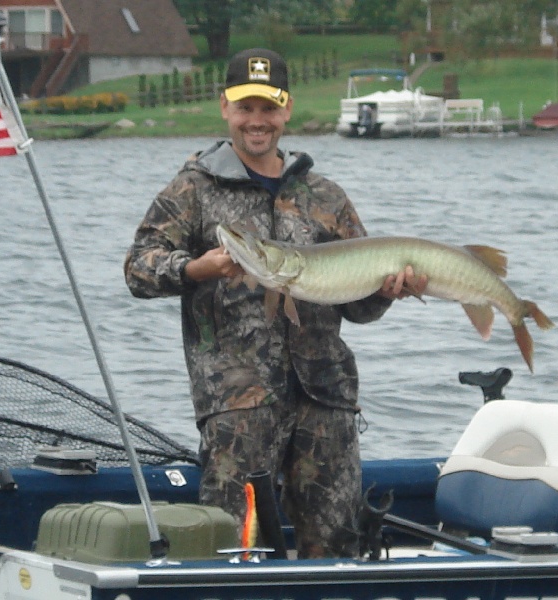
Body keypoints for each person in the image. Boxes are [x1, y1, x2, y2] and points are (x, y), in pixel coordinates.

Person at [124, 48, 425, 559]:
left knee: (334, 549)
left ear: (287, 110)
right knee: (233, 549)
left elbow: (358, 308)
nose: (257, 121)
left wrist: (387, 290)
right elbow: (138, 268)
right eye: (245, 108)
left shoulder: (324, 195)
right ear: (225, 108)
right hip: (237, 407)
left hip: (326, 399)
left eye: (269, 108)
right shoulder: (193, 189)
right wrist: (196, 268)